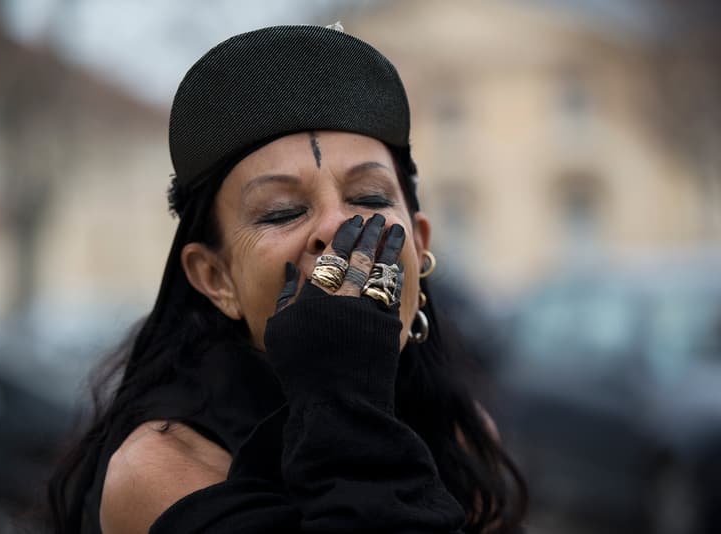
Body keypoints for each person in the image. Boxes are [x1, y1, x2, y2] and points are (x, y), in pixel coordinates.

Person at [48, 24, 527, 534]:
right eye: (281, 212)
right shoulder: (163, 471)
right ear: (215, 278)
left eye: (369, 198)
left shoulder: (461, 435)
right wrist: (346, 398)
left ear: (421, 244)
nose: (336, 227)